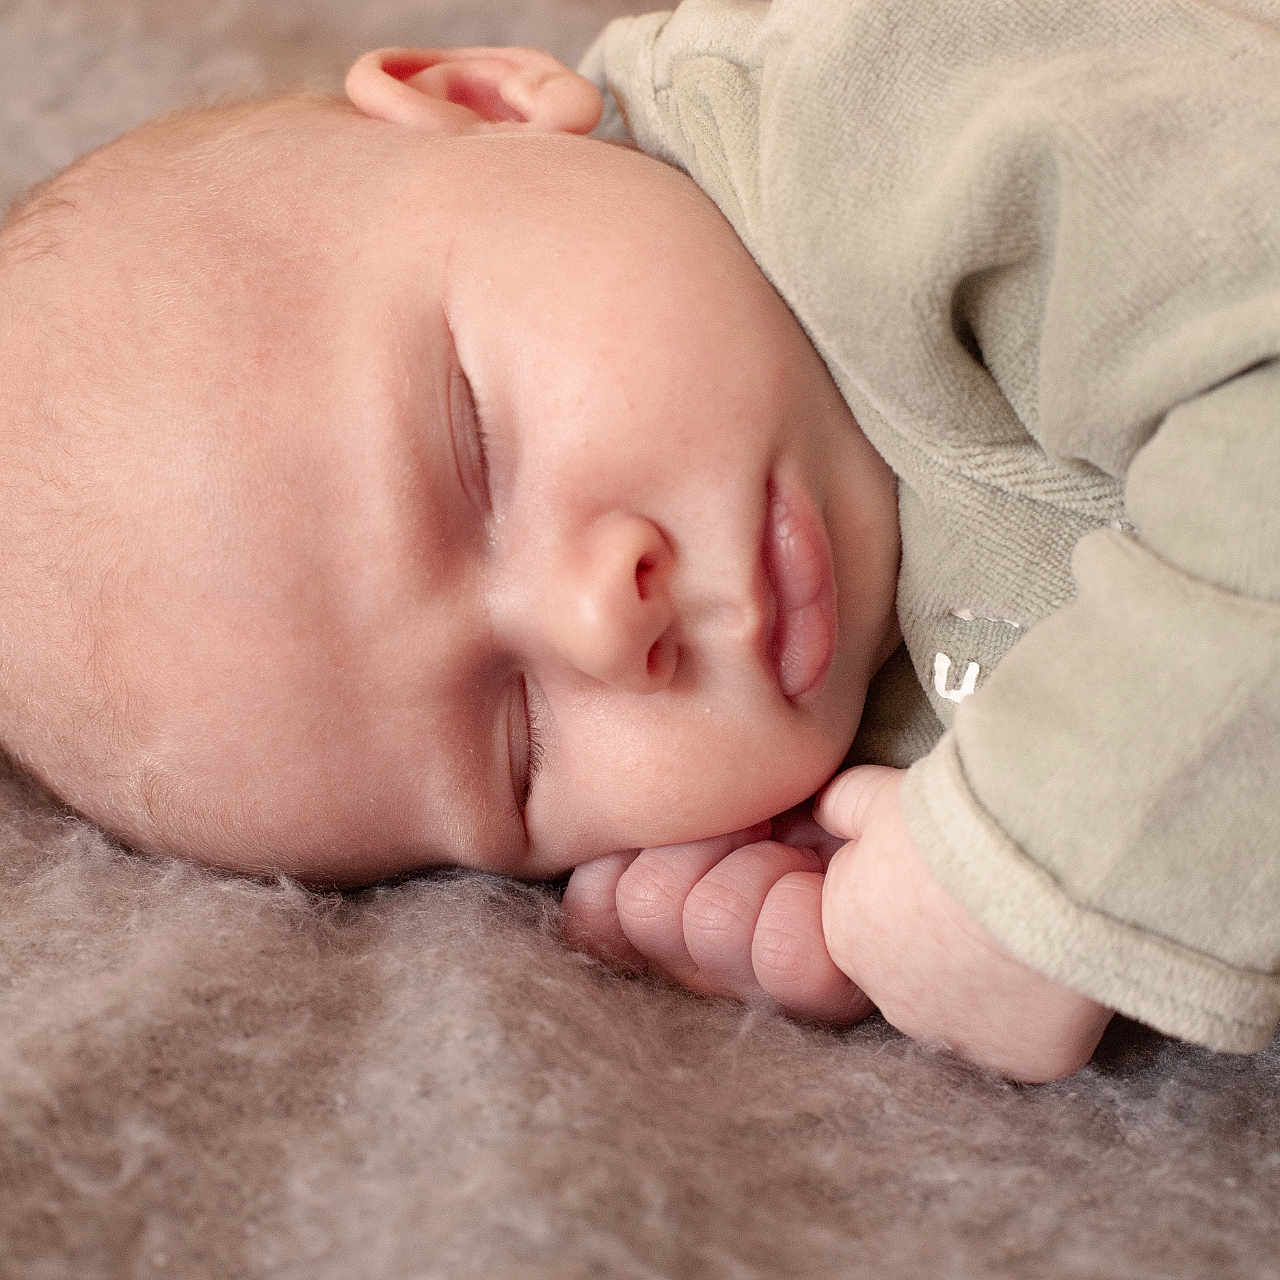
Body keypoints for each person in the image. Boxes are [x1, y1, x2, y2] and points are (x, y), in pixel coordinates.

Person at [1, 0, 1276, 1082]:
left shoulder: (893, 111)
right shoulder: (812, 675)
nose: (601, 624)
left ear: (486, 105)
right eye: (521, 748)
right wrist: (860, 872)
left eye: (475, 454)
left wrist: (1038, 875)